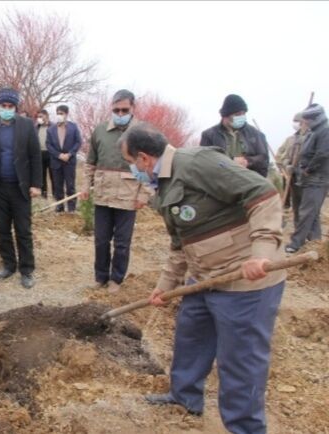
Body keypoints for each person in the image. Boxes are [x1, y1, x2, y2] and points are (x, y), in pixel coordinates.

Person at [120, 124, 285, 434]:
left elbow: (263, 193)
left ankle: (246, 428)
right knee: (191, 338)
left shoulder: (196, 163)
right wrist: (164, 287)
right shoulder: (164, 184)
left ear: (143, 158)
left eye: (130, 162)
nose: (133, 170)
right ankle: (185, 398)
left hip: (243, 279)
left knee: (240, 360)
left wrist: (261, 252)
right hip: (203, 277)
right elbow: (180, 244)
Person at [81, 89, 149, 292]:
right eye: (116, 110)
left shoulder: (142, 133)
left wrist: (144, 194)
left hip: (128, 196)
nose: (120, 114)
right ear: (111, 108)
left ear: (133, 108)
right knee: (101, 240)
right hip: (103, 194)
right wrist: (85, 186)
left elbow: (149, 167)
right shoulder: (100, 131)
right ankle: (100, 277)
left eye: (124, 110)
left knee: (122, 243)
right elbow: (90, 163)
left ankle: (116, 279)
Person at [0, 88, 42, 288]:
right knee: (2, 230)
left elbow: (35, 156)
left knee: (23, 230)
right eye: (3, 106)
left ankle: (27, 269)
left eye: (10, 106)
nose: (6, 109)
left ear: (15, 107)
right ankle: (8, 265)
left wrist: (36, 184)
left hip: (20, 187)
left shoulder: (27, 125)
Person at [285, 103, 329, 254]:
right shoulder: (314, 131)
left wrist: (309, 170)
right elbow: (306, 153)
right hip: (309, 178)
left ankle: (295, 243)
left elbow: (322, 154)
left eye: (307, 119)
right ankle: (316, 242)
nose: (305, 122)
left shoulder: (325, 131)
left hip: (317, 178)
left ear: (315, 118)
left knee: (306, 212)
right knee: (313, 213)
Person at [199, 94, 270, 177]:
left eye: (243, 113)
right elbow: (204, 162)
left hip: (250, 181)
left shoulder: (256, 134)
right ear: (225, 115)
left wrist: (247, 161)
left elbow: (264, 159)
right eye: (237, 114)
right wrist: (231, 161)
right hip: (221, 181)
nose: (241, 117)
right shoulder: (209, 135)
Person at [46, 104, 82, 212]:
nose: (59, 115)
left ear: (66, 114)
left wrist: (69, 154)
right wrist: (59, 155)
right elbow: (48, 145)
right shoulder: (51, 129)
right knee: (58, 186)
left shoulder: (73, 127)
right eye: (57, 113)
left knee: (70, 186)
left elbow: (78, 142)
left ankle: (71, 208)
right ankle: (59, 207)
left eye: (61, 113)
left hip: (69, 161)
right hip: (56, 162)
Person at [275, 112, 308, 211]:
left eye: (297, 121)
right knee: (289, 188)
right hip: (289, 170)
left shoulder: (310, 137)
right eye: (294, 121)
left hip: (304, 171)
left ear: (303, 122)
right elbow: (280, 153)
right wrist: (284, 163)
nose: (296, 123)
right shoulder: (290, 139)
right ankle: (287, 205)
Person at [36, 109, 54, 198]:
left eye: (41, 116)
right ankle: (44, 193)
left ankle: (55, 194)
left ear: (46, 116)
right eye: (38, 117)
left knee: (53, 175)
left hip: (50, 154)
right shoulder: (36, 127)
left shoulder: (53, 126)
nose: (39, 118)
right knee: (42, 175)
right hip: (40, 153)